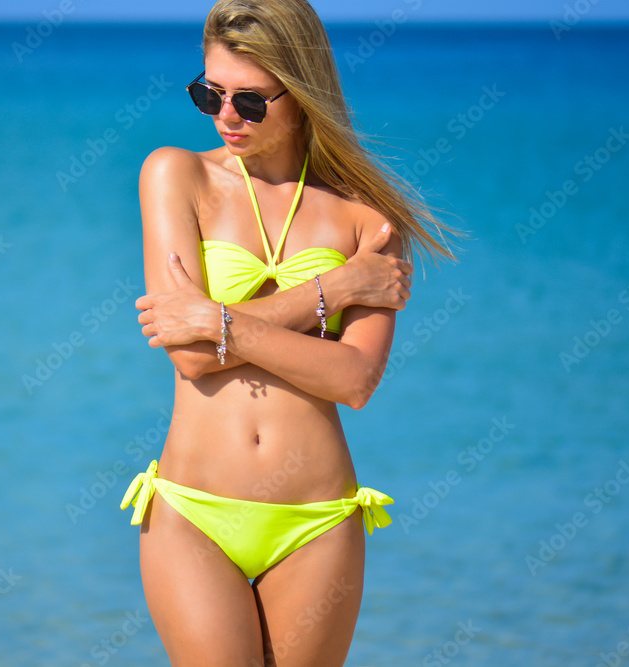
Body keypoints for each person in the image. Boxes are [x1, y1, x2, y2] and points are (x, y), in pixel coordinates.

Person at [121, 1, 457, 664]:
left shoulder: (371, 217)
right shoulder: (176, 175)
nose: (225, 117)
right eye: (208, 94)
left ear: (302, 95)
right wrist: (333, 291)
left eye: (250, 102)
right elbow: (189, 358)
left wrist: (217, 323)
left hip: (318, 519)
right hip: (194, 511)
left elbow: (355, 378)